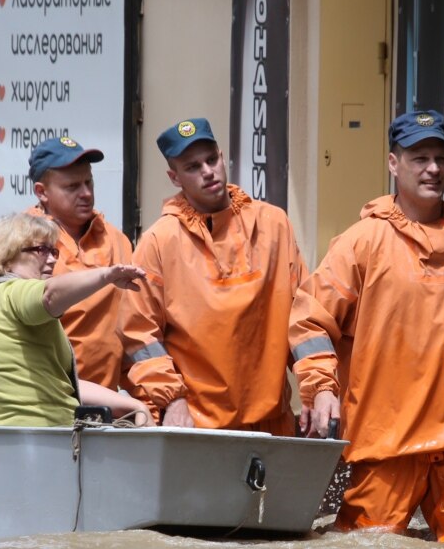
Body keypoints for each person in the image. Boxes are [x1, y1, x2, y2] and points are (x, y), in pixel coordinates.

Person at [288, 111, 444, 542]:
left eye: (440, 158)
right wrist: (320, 388)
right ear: (392, 163)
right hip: (383, 446)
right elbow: (310, 318)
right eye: (419, 158)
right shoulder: (363, 242)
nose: (433, 169)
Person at [119, 118, 307, 433]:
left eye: (211, 159)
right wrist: (172, 399)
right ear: (174, 177)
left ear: (222, 156)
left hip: (272, 420)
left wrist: (317, 387)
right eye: (192, 167)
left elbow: (304, 315)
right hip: (198, 424)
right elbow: (140, 335)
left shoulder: (273, 225)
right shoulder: (159, 242)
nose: (207, 171)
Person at [0, 213, 149, 427]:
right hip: (28, 447)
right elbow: (50, 295)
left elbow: (65, 385)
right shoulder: (13, 294)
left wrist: (134, 405)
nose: (52, 258)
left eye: (53, 250)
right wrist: (106, 276)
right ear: (7, 258)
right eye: (41, 250)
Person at [0, 136, 134, 390]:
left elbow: (137, 326)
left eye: (89, 182)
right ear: (42, 192)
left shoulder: (116, 240)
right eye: (72, 187)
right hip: (40, 403)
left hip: (106, 411)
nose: (86, 193)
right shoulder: (14, 245)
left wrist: (143, 402)